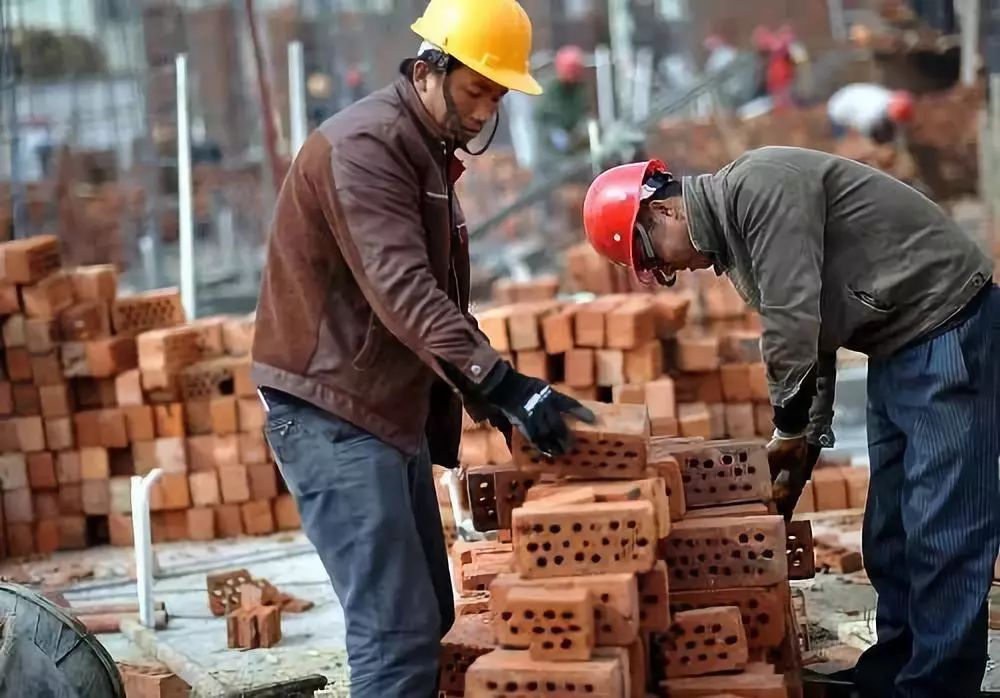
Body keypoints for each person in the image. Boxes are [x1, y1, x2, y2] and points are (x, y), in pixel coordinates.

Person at [251, 0, 594, 694]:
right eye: (477, 90)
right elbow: (403, 290)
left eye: (496, 96)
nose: (483, 112)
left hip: (382, 409)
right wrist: (503, 385)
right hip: (333, 413)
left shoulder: (425, 150)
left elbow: (439, 301)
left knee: (429, 614)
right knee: (395, 634)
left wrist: (499, 399)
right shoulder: (366, 148)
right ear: (431, 68)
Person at [582, 147, 999, 698]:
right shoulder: (737, 235)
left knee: (942, 527)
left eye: (653, 258)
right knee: (890, 532)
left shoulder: (760, 187)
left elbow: (793, 323)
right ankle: (895, 671)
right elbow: (817, 333)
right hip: (898, 343)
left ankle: (936, 686)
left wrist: (788, 428)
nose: (667, 273)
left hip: (945, 325)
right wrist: (803, 445)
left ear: (660, 212)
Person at [534, 44, 590, 163]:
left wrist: (580, 131)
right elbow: (542, 115)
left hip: (572, 140)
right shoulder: (551, 89)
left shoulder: (579, 89)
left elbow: (583, 112)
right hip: (549, 142)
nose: (573, 77)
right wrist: (556, 133)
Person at [828, 83, 915, 144]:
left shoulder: (890, 98)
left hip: (848, 96)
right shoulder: (870, 113)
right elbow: (864, 133)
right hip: (838, 111)